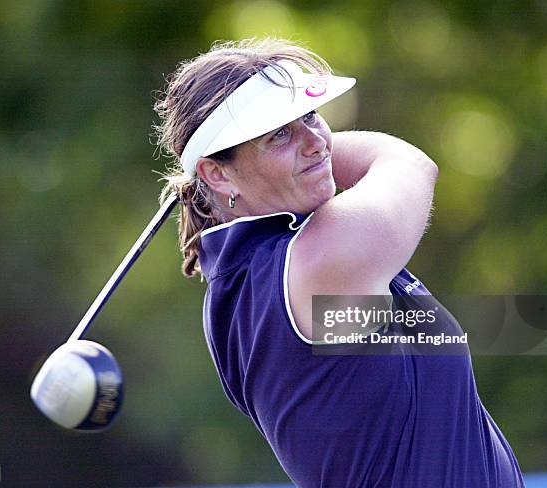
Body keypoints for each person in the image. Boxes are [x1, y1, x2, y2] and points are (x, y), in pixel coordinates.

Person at [154, 38, 525, 487]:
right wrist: (310, 152)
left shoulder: (255, 272)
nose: (315, 141)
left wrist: (293, 150)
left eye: (310, 117)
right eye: (279, 135)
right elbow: (406, 162)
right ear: (217, 172)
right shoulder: (317, 260)